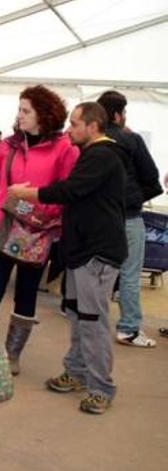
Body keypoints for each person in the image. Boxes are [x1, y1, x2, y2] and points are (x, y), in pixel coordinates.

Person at [8, 102, 127, 414]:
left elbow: (70, 190)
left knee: (92, 320)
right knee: (77, 315)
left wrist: (27, 194)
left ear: (93, 126)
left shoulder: (103, 155)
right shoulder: (93, 155)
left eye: (75, 124)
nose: (69, 129)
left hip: (96, 254)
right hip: (79, 251)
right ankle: (76, 372)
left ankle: (101, 387)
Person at [0, 85, 79, 375]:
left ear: (44, 114)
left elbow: (66, 191)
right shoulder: (9, 144)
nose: (20, 115)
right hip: (2, 226)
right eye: (19, 109)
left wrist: (36, 210)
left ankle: (12, 355)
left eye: (26, 110)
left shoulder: (65, 148)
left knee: (26, 293)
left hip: (39, 232)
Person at [96, 90, 162, 348]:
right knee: (130, 274)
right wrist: (131, 199)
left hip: (97, 219)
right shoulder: (131, 140)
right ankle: (129, 329)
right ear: (117, 114)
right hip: (128, 217)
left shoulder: (89, 141)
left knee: (95, 273)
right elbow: (153, 180)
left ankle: (89, 320)